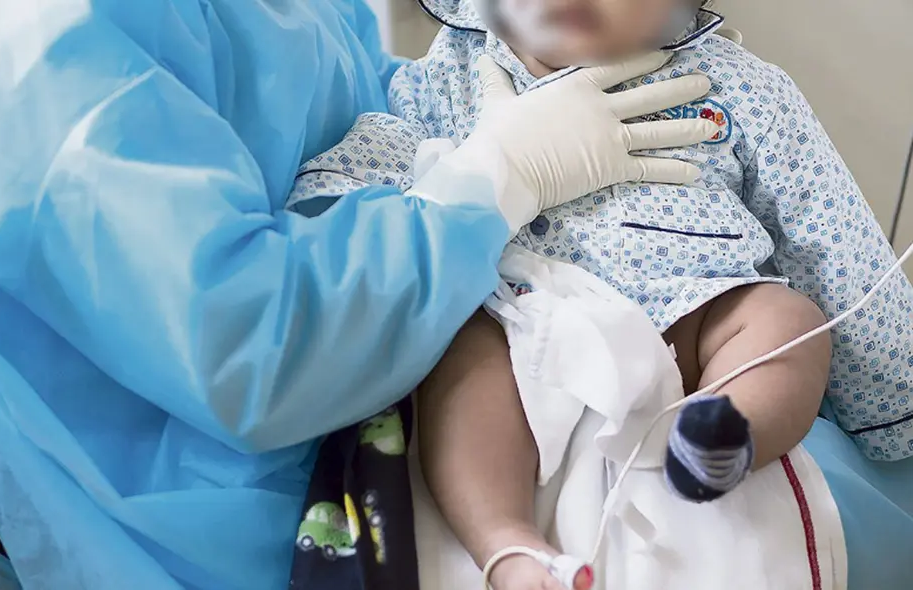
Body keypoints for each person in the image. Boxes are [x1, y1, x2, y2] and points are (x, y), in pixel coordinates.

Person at [0, 1, 721, 588]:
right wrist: (499, 176)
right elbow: (250, 349)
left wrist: (497, 96)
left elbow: (353, 109)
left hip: (398, 347)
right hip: (250, 500)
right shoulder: (37, 42)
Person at [283, 1, 913, 589]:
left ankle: (720, 436)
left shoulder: (743, 89)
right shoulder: (445, 74)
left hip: (689, 323)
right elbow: (368, 180)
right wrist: (331, 205)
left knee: (785, 318)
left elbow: (831, 241)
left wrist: (895, 407)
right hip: (519, 321)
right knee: (461, 356)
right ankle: (507, 544)